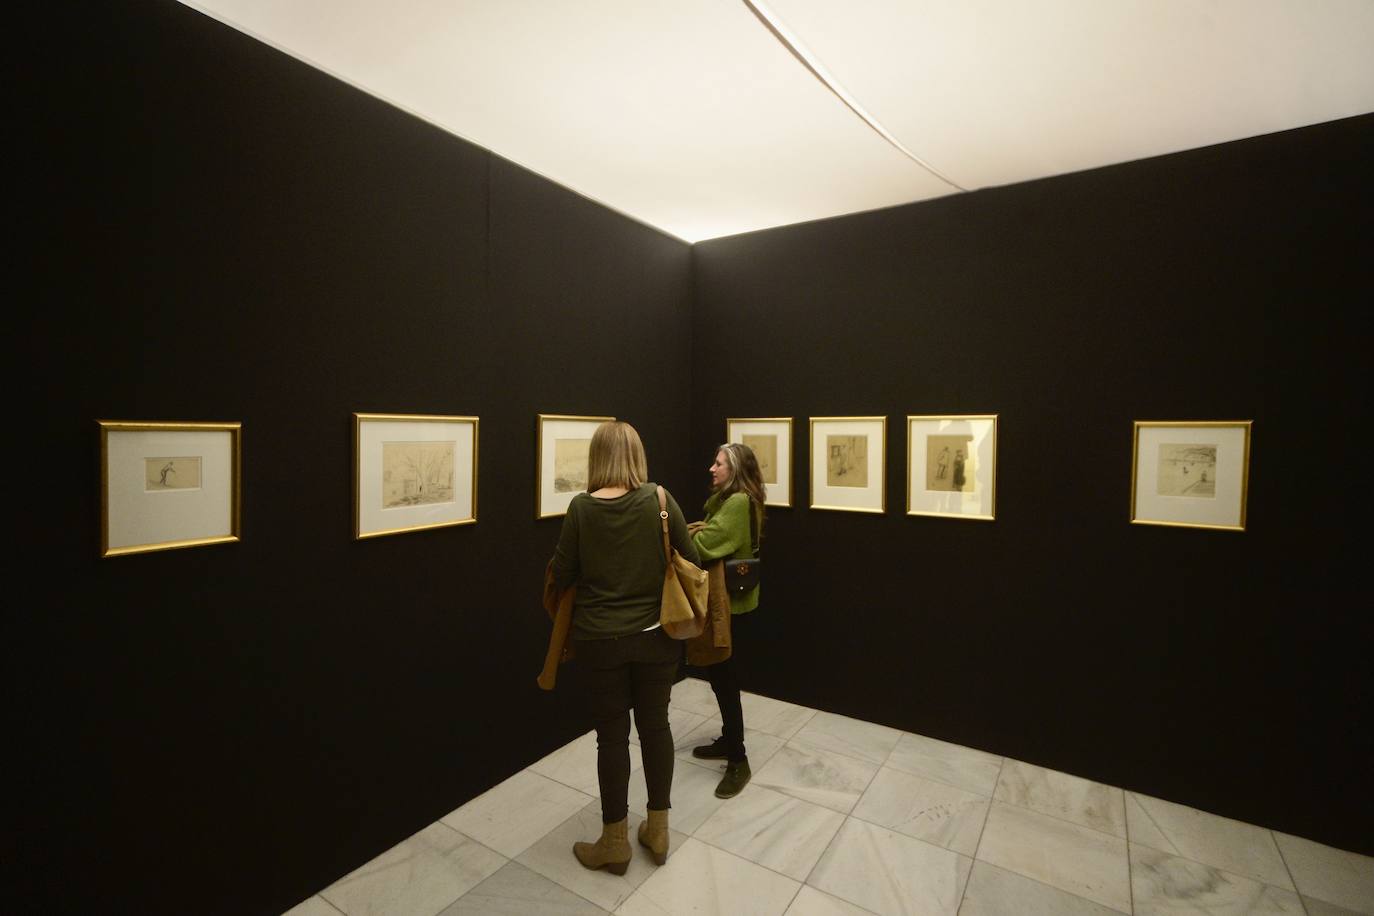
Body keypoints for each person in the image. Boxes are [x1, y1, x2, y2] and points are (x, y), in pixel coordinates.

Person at [550, 421, 699, 874]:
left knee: (611, 737)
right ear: (636, 455)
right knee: (656, 728)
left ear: (596, 458)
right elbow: (690, 558)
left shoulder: (580, 509)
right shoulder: (659, 500)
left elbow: (562, 574)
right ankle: (658, 829)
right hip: (657, 638)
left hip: (600, 641)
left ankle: (614, 840)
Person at [688, 443, 765, 799]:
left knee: (726, 680)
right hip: (729, 604)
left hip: (731, 607)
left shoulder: (735, 503)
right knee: (721, 679)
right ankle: (728, 739)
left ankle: (739, 759)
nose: (711, 468)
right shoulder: (727, 501)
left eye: (718, 463)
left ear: (734, 470)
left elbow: (706, 544)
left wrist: (691, 534)